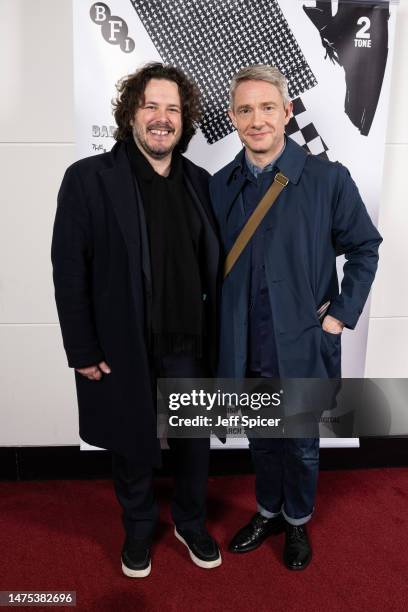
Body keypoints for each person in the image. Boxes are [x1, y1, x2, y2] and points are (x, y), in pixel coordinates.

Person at [51, 62, 221, 577]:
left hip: (190, 341)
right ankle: (139, 527)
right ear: (131, 114)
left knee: (194, 439)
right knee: (130, 439)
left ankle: (190, 522)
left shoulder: (201, 182)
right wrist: (81, 349)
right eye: (151, 105)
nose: (162, 118)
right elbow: (68, 269)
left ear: (184, 120)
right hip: (122, 339)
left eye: (172, 108)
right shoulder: (88, 179)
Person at [209, 65, 382, 570]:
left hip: (303, 343)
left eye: (267, 107)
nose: (257, 119)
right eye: (245, 109)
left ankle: (298, 523)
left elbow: (365, 248)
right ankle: (268, 511)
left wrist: (340, 316)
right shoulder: (220, 187)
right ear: (233, 118)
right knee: (262, 441)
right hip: (246, 344)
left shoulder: (327, 179)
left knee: (302, 444)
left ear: (287, 111)